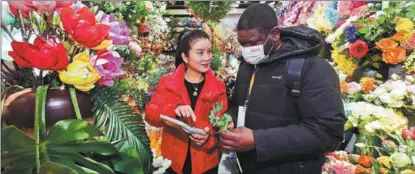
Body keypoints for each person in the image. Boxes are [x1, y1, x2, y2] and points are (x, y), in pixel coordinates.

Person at [219, 4, 345, 174]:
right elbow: (239, 104)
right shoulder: (247, 65)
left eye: (253, 42)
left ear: (275, 34)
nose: (248, 50)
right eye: (243, 44)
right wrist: (229, 117)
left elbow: (328, 132)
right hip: (248, 165)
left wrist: (258, 140)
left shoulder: (312, 68)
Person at [145, 30, 229, 174]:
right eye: (200, 53)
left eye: (209, 51)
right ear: (185, 56)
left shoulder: (218, 85)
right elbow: (150, 114)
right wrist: (174, 110)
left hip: (206, 161)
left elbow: (223, 122)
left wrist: (209, 135)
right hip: (173, 161)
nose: (207, 57)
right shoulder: (168, 82)